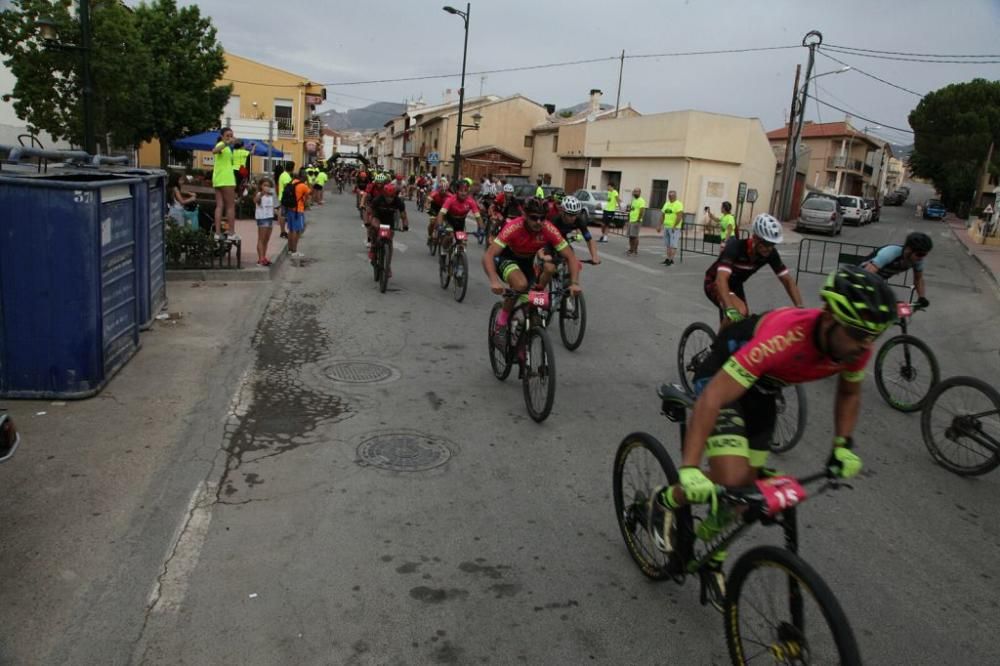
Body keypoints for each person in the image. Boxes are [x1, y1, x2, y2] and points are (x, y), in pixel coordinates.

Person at [649, 266, 897, 588]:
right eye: (859, 334)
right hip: (721, 376)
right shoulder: (785, 338)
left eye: (872, 337)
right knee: (731, 478)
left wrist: (842, 445)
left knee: (745, 495)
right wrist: (690, 467)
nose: (865, 347)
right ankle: (666, 499)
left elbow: (849, 392)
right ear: (830, 317)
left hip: (762, 390)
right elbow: (713, 397)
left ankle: (712, 551)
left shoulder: (856, 346)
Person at [482, 197, 582, 340]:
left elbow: (570, 257)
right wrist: (494, 281)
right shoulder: (513, 227)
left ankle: (522, 345)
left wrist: (574, 283)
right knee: (520, 284)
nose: (539, 222)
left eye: (542, 218)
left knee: (532, 305)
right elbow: (489, 255)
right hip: (505, 258)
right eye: (534, 218)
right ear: (525, 215)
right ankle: (501, 323)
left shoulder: (548, 229)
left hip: (527, 262)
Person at [704, 213, 804, 327]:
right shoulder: (735, 247)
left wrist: (800, 309)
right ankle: (717, 345)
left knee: (745, 324)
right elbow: (721, 279)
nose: (769, 248)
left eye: (773, 244)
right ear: (755, 238)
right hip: (715, 282)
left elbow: (787, 280)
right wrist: (730, 308)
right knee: (738, 313)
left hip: (735, 286)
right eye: (766, 243)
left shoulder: (770, 254)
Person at [862, 232, 932, 307]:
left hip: (877, 281)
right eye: (920, 254)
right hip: (861, 278)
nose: (921, 258)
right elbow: (866, 275)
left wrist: (922, 297)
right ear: (908, 250)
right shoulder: (890, 253)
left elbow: (918, 279)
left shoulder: (917, 260)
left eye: (924, 255)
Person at [548, 196, 600, 266]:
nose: (573, 218)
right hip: (550, 240)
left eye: (575, 214)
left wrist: (594, 256)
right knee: (550, 268)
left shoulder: (579, 220)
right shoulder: (555, 221)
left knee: (573, 261)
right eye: (570, 215)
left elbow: (589, 240)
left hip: (563, 238)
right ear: (563, 212)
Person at [435, 179, 483, 245]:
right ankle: (444, 248)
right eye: (461, 191)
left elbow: (478, 216)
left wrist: (481, 228)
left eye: (465, 191)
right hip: (450, 220)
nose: (463, 193)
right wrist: (439, 225)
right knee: (450, 236)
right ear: (457, 191)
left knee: (461, 242)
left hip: (461, 222)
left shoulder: (471, 201)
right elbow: (441, 213)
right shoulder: (450, 199)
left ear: (468, 192)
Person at [212, 127, 237, 238]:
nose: (230, 138)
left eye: (231, 135)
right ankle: (231, 232)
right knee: (230, 206)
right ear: (222, 136)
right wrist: (226, 143)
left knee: (220, 205)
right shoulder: (221, 145)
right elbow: (214, 151)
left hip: (218, 179)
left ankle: (217, 233)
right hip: (226, 179)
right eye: (227, 135)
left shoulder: (227, 148)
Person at [283, 173, 311, 259]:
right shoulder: (303, 185)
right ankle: (294, 251)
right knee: (297, 230)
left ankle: (290, 249)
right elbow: (309, 194)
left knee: (291, 230)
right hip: (298, 210)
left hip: (289, 209)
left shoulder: (292, 182)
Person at [253, 178, 275, 266]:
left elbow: (273, 206)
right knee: (261, 239)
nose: (267, 187)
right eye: (265, 185)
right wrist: (261, 193)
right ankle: (260, 258)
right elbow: (255, 200)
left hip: (270, 218)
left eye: (268, 186)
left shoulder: (271, 195)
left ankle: (264, 257)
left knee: (266, 239)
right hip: (262, 218)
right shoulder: (259, 194)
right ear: (261, 186)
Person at [660, 190, 684, 266]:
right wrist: (659, 224)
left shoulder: (678, 204)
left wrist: (674, 226)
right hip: (666, 226)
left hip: (674, 228)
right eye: (669, 196)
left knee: (673, 245)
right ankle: (667, 258)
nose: (670, 197)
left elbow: (679, 216)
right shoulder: (666, 204)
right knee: (668, 244)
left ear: (675, 196)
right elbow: (663, 215)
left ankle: (671, 260)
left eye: (671, 196)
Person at [626, 188, 646, 256]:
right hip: (631, 220)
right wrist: (628, 219)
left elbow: (642, 211)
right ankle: (631, 249)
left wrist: (638, 219)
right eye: (634, 191)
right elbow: (632, 210)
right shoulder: (634, 200)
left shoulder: (641, 201)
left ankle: (635, 251)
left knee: (635, 236)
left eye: (637, 191)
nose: (635, 193)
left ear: (640, 192)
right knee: (630, 236)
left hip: (636, 221)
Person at [277, 162, 294, 239]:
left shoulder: (282, 174)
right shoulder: (287, 176)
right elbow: (288, 188)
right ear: (292, 168)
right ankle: (283, 232)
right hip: (285, 198)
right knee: (283, 215)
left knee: (282, 214)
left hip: (282, 196)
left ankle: (282, 231)